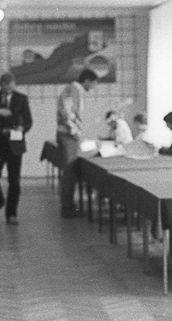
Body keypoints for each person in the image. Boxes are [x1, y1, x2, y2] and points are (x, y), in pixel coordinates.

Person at [0, 72, 32, 225]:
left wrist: (21, 128)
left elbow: (28, 121)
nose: (9, 88)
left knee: (14, 181)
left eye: (11, 85)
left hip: (15, 143)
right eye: (6, 85)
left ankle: (11, 214)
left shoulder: (22, 98)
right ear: (1, 85)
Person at [56, 68, 99, 217]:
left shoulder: (73, 90)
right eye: (94, 83)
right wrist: (75, 132)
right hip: (68, 135)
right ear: (87, 81)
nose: (94, 87)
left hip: (68, 134)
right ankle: (67, 208)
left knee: (70, 171)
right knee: (70, 172)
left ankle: (69, 206)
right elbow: (66, 113)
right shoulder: (74, 90)